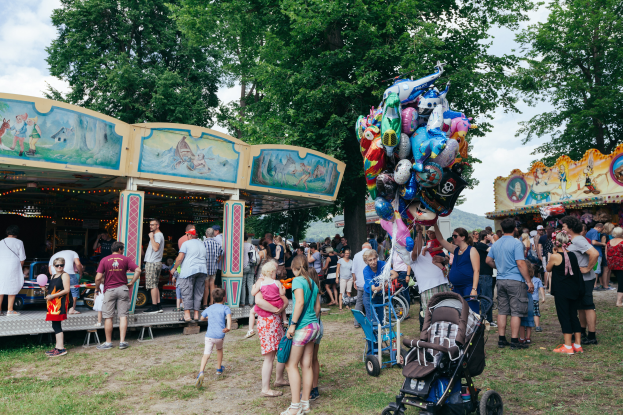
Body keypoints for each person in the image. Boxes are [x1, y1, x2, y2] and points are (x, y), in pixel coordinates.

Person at [486, 218, 534, 350]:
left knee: (502, 310)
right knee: (516, 311)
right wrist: (528, 281)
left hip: (501, 280)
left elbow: (488, 260)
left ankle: (501, 340)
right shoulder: (516, 243)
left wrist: (500, 267)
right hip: (515, 280)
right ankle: (514, 341)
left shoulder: (495, 244)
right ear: (514, 229)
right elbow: (520, 262)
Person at [281, 254, 321, 415]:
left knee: (291, 365)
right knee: (307, 365)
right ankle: (305, 403)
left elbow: (299, 303)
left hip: (302, 328)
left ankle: (295, 407)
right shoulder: (312, 283)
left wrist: (293, 325)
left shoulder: (298, 280)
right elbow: (317, 308)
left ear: (294, 268)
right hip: (314, 327)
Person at [94, 242, 141, 350]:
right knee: (123, 315)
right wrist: (132, 282)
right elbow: (138, 270)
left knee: (108, 317)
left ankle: (108, 343)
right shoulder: (125, 259)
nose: (123, 251)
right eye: (123, 249)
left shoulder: (104, 260)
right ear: (120, 249)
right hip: (123, 288)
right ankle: (122, 342)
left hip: (109, 290)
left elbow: (97, 278)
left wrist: (97, 289)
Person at [561, 215, 600, 345]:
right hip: (578, 279)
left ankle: (592, 336)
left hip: (585, 279)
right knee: (580, 306)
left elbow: (594, 253)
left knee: (588, 306)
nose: (562, 228)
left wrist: (588, 269)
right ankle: (582, 331)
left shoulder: (578, 240)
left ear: (570, 227)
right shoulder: (573, 240)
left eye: (564, 226)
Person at [252, 261, 289, 397]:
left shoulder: (261, 283)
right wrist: (277, 310)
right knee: (269, 356)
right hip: (270, 322)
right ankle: (265, 389)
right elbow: (258, 301)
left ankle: (278, 379)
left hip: (271, 321)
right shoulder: (266, 283)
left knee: (274, 353)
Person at [546, 230, 585, 354]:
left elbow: (548, 268)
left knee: (564, 316)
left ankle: (568, 346)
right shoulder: (573, 255)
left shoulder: (555, 256)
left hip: (561, 291)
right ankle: (577, 344)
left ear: (555, 242)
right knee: (573, 315)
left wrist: (553, 254)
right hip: (574, 289)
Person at [433, 223, 480, 313]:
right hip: (457, 287)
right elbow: (441, 239)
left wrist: (474, 289)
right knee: (459, 312)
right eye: (452, 236)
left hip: (468, 286)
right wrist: (435, 224)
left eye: (455, 236)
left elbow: (476, 270)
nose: (453, 238)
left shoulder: (472, 250)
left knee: (472, 312)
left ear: (463, 237)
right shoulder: (455, 249)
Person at [411, 226, 451, 328]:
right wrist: (419, 233)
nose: (418, 242)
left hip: (443, 283)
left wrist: (443, 259)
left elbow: (447, 259)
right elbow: (415, 253)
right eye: (416, 241)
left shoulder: (429, 248)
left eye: (420, 240)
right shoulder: (412, 254)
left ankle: (446, 333)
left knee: (447, 311)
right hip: (428, 288)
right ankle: (431, 337)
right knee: (431, 314)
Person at [195, 288, 232, 387]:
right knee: (219, 349)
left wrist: (209, 318)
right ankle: (219, 369)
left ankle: (201, 372)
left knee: (206, 354)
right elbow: (229, 318)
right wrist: (228, 328)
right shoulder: (225, 308)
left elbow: (202, 318)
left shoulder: (210, 308)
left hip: (209, 336)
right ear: (224, 298)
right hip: (220, 335)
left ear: (213, 298)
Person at [170, 228, 207, 322]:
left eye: (187, 235)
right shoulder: (202, 244)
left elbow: (179, 258)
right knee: (198, 292)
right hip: (202, 270)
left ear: (190, 235)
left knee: (187, 291)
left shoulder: (186, 244)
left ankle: (187, 316)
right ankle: (196, 315)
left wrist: (174, 268)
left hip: (189, 270)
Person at [44, 257, 71, 357]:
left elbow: (66, 290)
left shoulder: (65, 275)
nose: (59, 267)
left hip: (59, 303)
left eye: (61, 265)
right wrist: (45, 288)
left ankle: (61, 348)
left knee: (57, 325)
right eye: (57, 265)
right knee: (54, 325)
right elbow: (52, 289)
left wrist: (52, 296)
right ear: (53, 266)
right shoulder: (53, 276)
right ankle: (57, 347)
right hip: (52, 304)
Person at [0, 225, 26, 316]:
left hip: (1, 266)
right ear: (17, 233)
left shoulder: (1, 242)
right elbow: (22, 258)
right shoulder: (19, 242)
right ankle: (10, 310)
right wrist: (20, 268)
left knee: (1, 287)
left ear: (7, 232)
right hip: (13, 266)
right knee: (13, 286)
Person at [48, 249, 83, 315]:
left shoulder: (53, 256)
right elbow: (78, 264)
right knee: (73, 291)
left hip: (55, 274)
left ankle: (59, 308)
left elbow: (50, 271)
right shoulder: (74, 252)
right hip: (69, 273)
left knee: (58, 290)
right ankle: (71, 309)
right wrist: (80, 273)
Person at [474, 231, 496, 326]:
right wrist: (492, 240)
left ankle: (488, 319)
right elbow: (496, 249)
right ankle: (487, 320)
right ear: (486, 237)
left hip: (485, 274)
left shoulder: (480, 246)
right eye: (490, 235)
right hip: (484, 275)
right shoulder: (481, 246)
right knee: (486, 297)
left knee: (487, 297)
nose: (492, 236)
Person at [143, 219, 165, 314]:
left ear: (158, 225)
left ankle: (154, 306)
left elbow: (156, 248)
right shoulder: (158, 235)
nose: (150, 226)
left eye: (153, 225)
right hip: (155, 262)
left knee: (152, 285)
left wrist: (151, 237)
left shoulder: (157, 235)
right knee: (155, 285)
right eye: (150, 225)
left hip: (152, 262)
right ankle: (158, 305)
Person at [362, 249, 385, 326]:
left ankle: (380, 336)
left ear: (377, 258)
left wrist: (388, 279)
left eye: (374, 259)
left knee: (381, 318)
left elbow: (394, 273)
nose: (373, 262)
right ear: (366, 262)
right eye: (370, 260)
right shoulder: (366, 270)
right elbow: (373, 288)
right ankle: (372, 337)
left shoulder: (382, 264)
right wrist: (380, 287)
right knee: (372, 319)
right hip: (369, 296)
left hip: (380, 295)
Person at [351, 243, 372, 328]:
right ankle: (369, 321)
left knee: (359, 302)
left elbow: (353, 270)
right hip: (369, 283)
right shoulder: (371, 253)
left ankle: (357, 322)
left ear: (362, 247)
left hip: (360, 282)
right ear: (370, 248)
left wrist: (354, 281)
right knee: (370, 302)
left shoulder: (356, 255)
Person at [203, 228, 223, 307]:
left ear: (206, 234)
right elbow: (220, 256)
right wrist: (216, 263)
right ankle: (211, 302)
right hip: (214, 268)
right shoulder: (217, 244)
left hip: (205, 268)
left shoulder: (203, 243)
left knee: (206, 286)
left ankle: (205, 303)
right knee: (212, 285)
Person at [519, 261, 536, 344]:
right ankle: (528, 337)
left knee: (521, 319)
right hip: (530, 300)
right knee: (529, 319)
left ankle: (522, 337)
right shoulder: (531, 280)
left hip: (521, 299)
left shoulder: (520, 278)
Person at [606, 226, 623, 307]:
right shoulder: (622, 242)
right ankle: (619, 302)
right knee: (621, 283)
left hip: (612, 265)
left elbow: (607, 254)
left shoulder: (609, 242)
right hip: (621, 265)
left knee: (620, 282)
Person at [597, 222, 615, 291]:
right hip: (605, 253)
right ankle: (605, 286)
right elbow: (603, 244)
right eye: (612, 228)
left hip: (607, 253)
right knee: (606, 270)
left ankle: (606, 284)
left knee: (607, 270)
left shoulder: (605, 234)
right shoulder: (604, 235)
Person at [241, 233, 257, 307]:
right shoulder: (251, 246)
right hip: (251, 266)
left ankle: (242, 302)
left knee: (243, 284)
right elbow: (255, 257)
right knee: (250, 285)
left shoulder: (240, 246)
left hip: (242, 267)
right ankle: (251, 302)